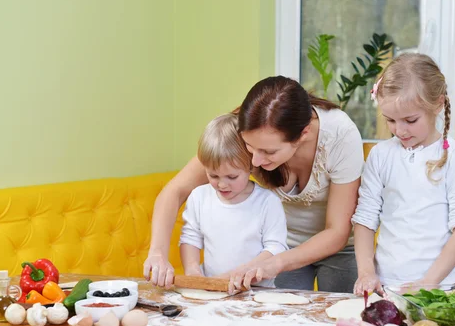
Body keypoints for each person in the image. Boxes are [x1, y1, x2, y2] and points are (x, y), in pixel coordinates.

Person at [143, 76, 364, 293]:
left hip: (334, 249)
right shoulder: (245, 125)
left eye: (269, 152)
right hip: (278, 245)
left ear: (303, 133)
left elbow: (337, 231)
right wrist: (158, 252)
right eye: (250, 147)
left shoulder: (340, 135)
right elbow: (175, 190)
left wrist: (273, 263)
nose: (255, 162)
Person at [352, 53, 455, 296]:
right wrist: (367, 272)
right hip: (387, 284)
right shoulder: (380, 155)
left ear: (438, 104)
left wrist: (428, 282)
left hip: (444, 288)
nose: (399, 130)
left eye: (410, 120)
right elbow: (365, 219)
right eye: (390, 120)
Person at [179, 114, 288, 287]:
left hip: (257, 292)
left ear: (251, 166)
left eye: (232, 176)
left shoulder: (268, 202)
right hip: (213, 289)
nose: (222, 184)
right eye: (213, 175)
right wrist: (193, 271)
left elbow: (275, 248)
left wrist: (242, 273)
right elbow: (190, 238)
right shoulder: (199, 197)